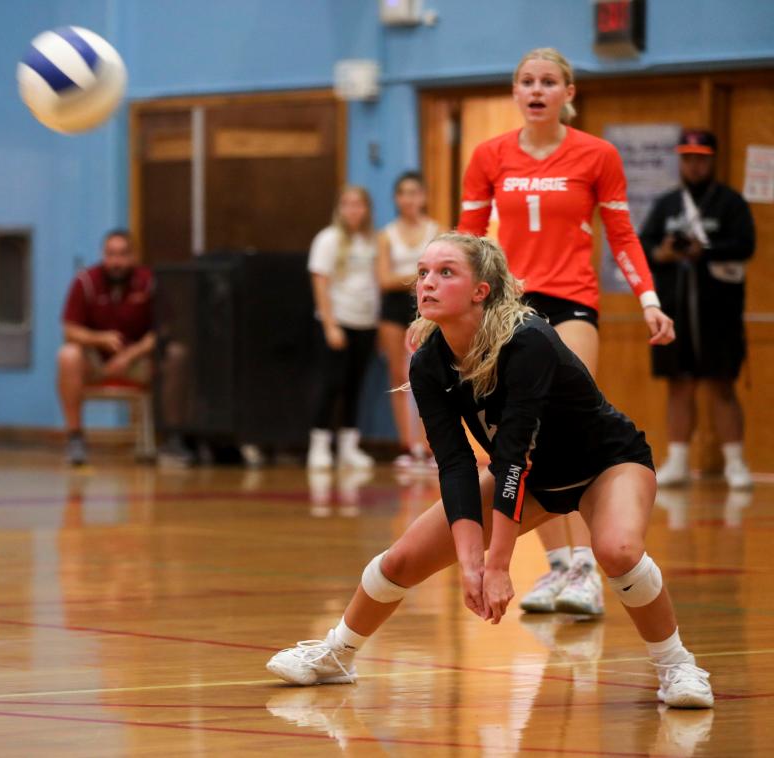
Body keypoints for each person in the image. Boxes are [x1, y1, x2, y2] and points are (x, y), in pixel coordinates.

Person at [267, 233, 713, 710]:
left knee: (617, 550)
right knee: (401, 560)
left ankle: (678, 666)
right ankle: (336, 655)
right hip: (536, 477)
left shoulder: (528, 340)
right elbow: (456, 464)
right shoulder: (428, 362)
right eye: (422, 273)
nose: (427, 284)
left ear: (481, 289)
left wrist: (497, 564)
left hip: (606, 464)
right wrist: (470, 564)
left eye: (445, 273)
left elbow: (513, 455)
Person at [458, 47, 673, 617]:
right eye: (526, 81)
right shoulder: (489, 156)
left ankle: (587, 569)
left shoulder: (596, 154)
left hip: (572, 303)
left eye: (548, 82)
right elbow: (467, 243)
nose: (536, 90)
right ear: (515, 91)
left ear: (568, 93)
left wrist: (649, 300)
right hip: (509, 307)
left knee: (560, 424)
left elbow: (623, 237)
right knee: (516, 439)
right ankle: (562, 567)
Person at [640, 129, 756, 490]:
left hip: (718, 313)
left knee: (722, 385)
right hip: (673, 310)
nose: (693, 164)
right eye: (687, 157)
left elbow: (745, 244)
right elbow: (643, 245)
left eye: (700, 157)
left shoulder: (730, 203)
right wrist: (663, 254)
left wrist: (703, 251)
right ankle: (677, 460)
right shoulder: (666, 204)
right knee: (678, 384)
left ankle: (735, 462)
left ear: (712, 159)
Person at [58, 229, 155, 466]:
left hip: (136, 360)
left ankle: (175, 439)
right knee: (67, 355)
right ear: (103, 255)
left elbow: (160, 332)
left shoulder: (148, 282)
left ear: (134, 256)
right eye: (111, 254)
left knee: (175, 356)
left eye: (123, 254)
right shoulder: (86, 282)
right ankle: (75, 438)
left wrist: (131, 355)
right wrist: (99, 339)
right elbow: (69, 330)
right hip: (96, 362)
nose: (117, 261)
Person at [306, 186, 379, 470]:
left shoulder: (372, 240)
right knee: (330, 383)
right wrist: (330, 325)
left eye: (359, 204)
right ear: (339, 208)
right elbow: (320, 282)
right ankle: (319, 444)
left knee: (355, 385)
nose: (353, 210)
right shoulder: (328, 239)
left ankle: (349, 446)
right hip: (337, 321)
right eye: (347, 204)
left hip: (365, 322)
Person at [377, 171, 439, 469]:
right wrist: (418, 276)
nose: (409, 199)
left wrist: (421, 279)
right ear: (395, 198)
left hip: (425, 305)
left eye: (414, 193)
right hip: (393, 308)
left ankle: (430, 447)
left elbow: (441, 272)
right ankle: (407, 446)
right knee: (398, 376)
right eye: (403, 193)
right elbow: (384, 279)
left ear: (423, 197)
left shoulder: (435, 231)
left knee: (428, 375)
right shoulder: (386, 234)